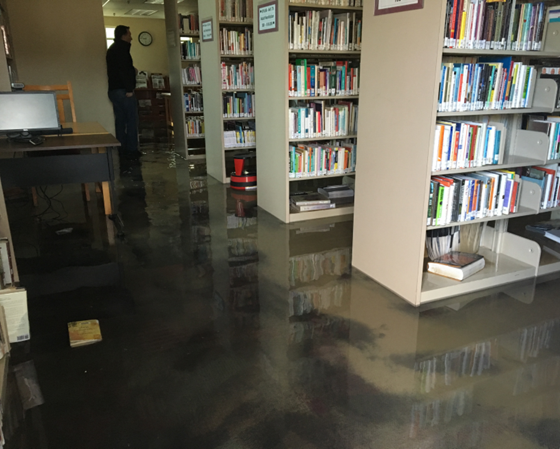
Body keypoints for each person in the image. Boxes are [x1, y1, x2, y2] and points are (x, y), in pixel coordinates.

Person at [106, 25, 139, 160]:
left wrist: (132, 70)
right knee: (131, 120)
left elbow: (118, 69)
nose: (131, 37)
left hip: (113, 90)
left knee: (120, 120)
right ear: (124, 35)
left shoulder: (112, 49)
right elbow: (123, 71)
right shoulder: (122, 49)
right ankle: (132, 150)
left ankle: (122, 148)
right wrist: (130, 89)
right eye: (129, 34)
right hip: (124, 91)